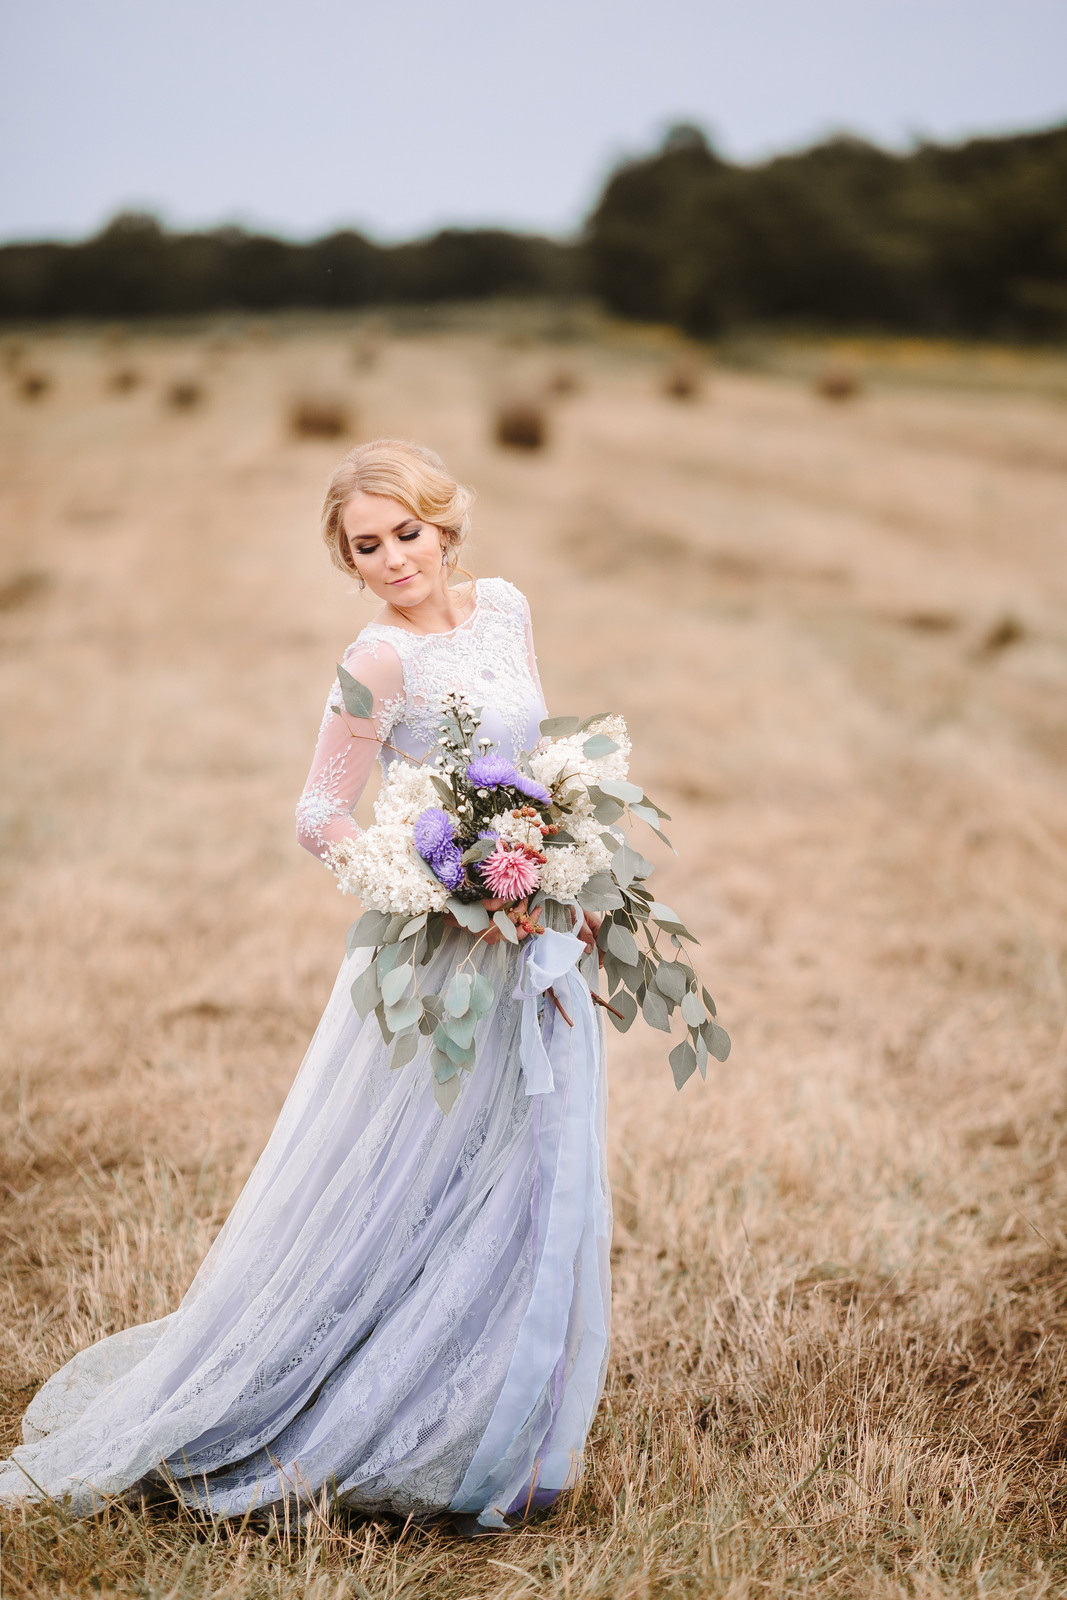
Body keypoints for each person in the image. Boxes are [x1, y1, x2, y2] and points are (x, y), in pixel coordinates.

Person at [0, 439, 611, 1534]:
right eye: (365, 547)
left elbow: (525, 763)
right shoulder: (374, 661)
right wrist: (435, 887)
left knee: (523, 1164)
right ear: (348, 560)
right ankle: (353, 1404)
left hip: (536, 930)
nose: (393, 559)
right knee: (413, 1172)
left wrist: (562, 862)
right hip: (441, 953)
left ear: (444, 523)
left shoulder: (506, 608)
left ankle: (495, 1415)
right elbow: (318, 813)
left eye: (406, 533)